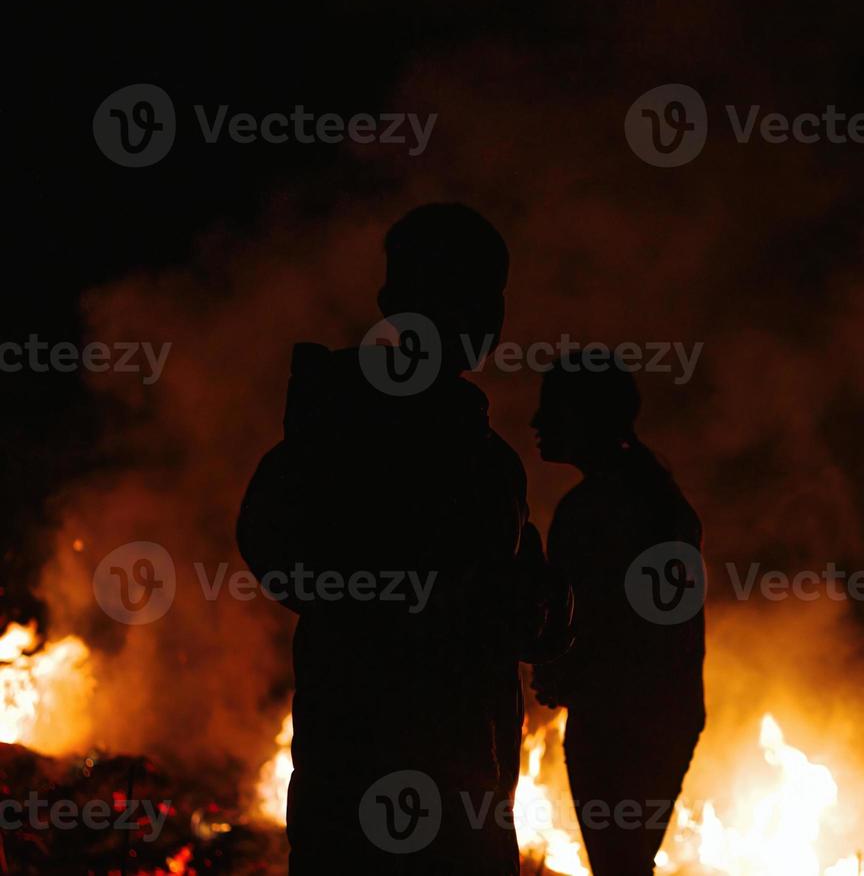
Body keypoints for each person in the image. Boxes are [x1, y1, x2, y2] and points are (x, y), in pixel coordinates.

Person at [237, 203, 569, 874]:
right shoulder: (339, 429)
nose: (485, 319)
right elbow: (276, 546)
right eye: (468, 296)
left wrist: (538, 613)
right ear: (398, 302)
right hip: (366, 779)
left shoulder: (485, 456)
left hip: (464, 779)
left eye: (488, 298)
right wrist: (406, 606)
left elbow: (520, 592)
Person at [530, 356, 705, 876]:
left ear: (586, 417)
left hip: (614, 719)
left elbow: (593, 619)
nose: (537, 424)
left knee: (618, 865)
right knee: (627, 863)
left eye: (551, 410)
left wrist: (555, 666)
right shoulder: (660, 497)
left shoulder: (592, 510)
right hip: (665, 712)